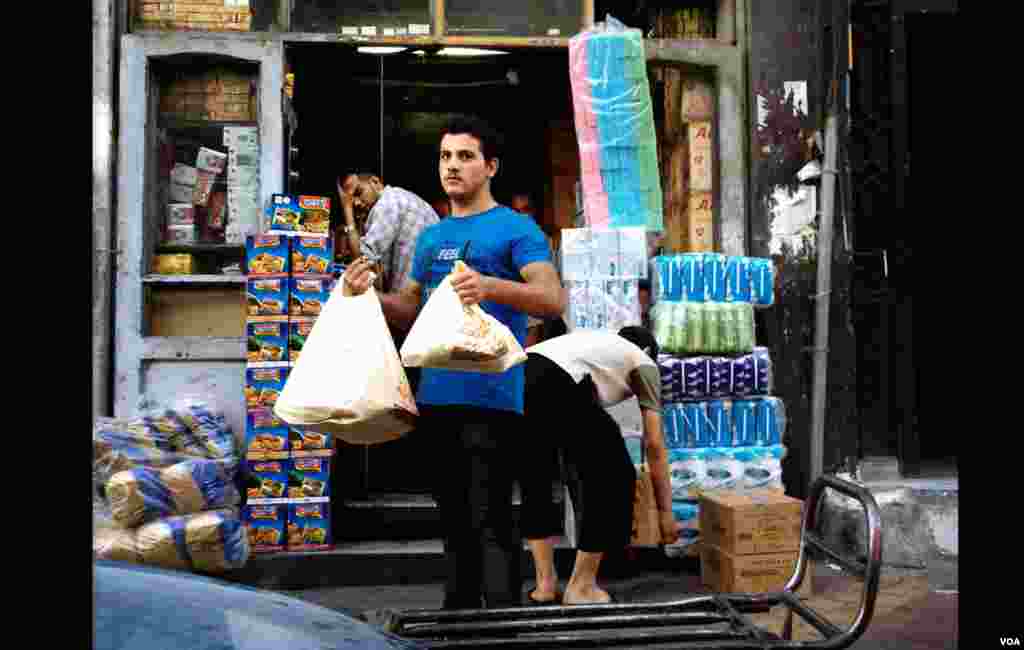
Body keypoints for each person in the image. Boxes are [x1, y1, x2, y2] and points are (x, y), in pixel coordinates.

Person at [341, 115, 565, 610]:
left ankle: (503, 628)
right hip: (436, 398)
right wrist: (368, 296)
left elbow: (552, 299)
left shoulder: (514, 228)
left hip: (494, 399)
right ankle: (457, 622)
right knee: (454, 525)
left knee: (491, 521)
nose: (452, 166)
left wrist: (491, 287)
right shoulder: (431, 237)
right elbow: (411, 310)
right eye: (445, 157)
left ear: (490, 167)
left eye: (465, 157)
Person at [518, 326, 678, 605]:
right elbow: (654, 443)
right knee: (614, 476)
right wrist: (665, 513)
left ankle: (545, 586)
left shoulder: (591, 346)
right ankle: (582, 586)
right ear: (649, 351)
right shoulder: (643, 360)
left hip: (518, 375)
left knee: (536, 478)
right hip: (560, 380)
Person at [336, 172, 440, 297]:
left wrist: (347, 209)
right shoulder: (400, 197)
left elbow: (363, 263)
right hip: (430, 293)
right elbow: (378, 276)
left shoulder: (387, 202)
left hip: (414, 302)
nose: (356, 203)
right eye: (352, 201)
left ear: (375, 182)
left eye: (358, 192)